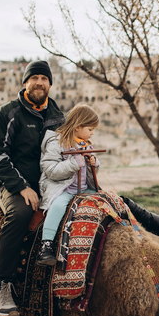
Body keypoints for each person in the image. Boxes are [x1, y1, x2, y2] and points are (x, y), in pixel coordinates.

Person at [0, 60, 65, 316]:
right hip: (12, 185)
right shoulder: (7, 113)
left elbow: (66, 152)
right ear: (25, 82)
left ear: (50, 84)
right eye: (34, 78)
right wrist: (22, 187)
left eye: (44, 78)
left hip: (50, 184)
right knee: (20, 213)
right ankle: (2, 285)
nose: (39, 82)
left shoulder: (59, 118)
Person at [36, 104, 101, 265]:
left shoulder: (86, 144)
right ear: (78, 127)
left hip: (84, 188)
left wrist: (94, 163)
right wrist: (74, 163)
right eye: (90, 129)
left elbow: (91, 173)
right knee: (57, 206)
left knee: (105, 201)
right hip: (63, 188)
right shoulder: (57, 143)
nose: (92, 133)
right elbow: (50, 170)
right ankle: (46, 244)